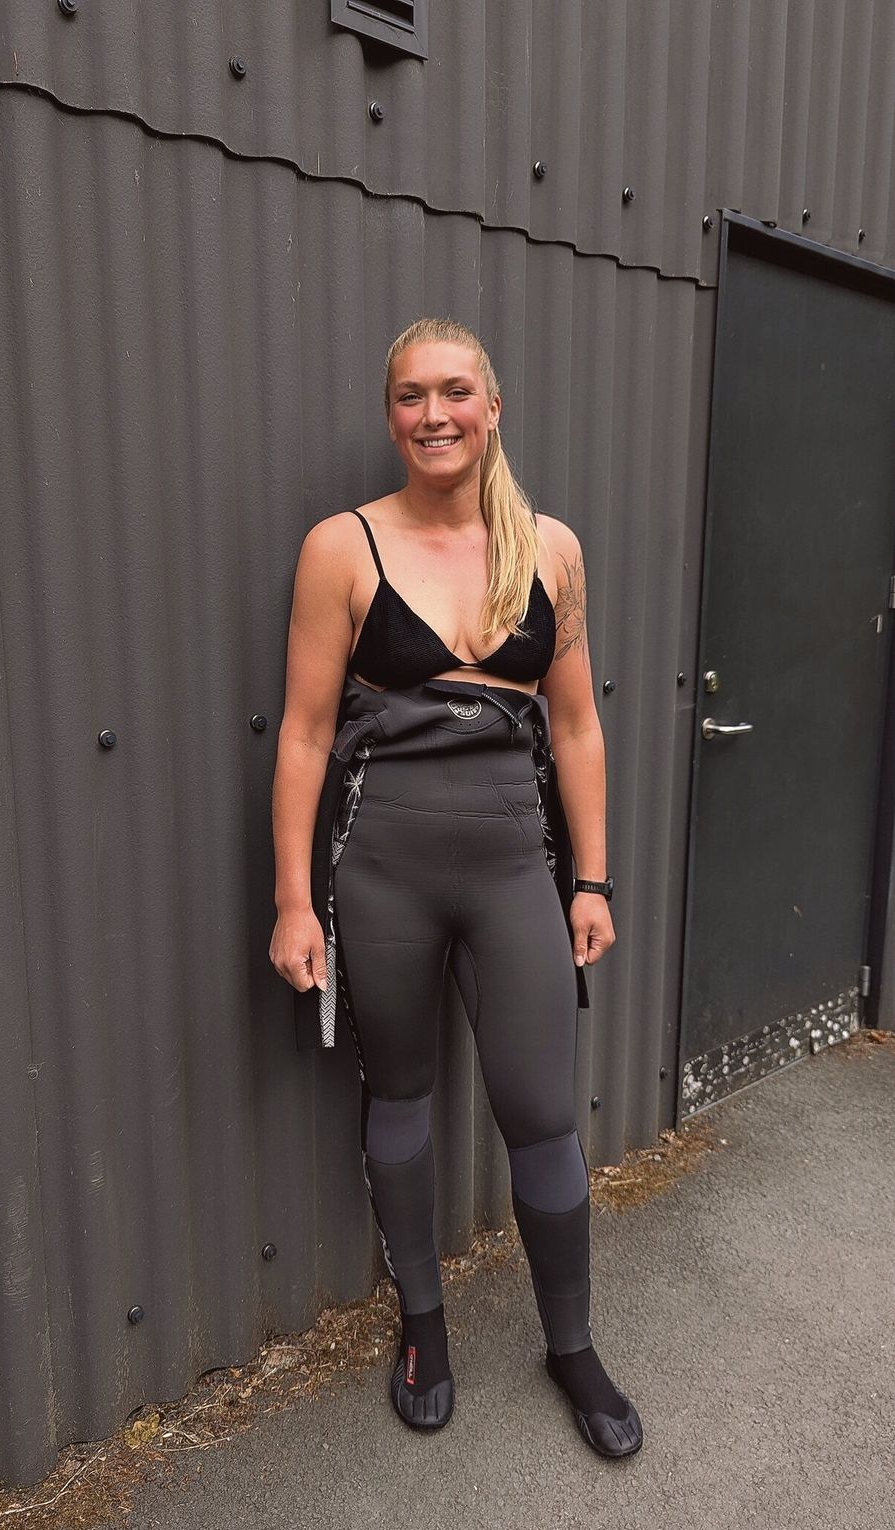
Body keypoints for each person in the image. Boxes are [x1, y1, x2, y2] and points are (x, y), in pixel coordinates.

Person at [269, 317, 643, 1460]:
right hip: (382, 870)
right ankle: (423, 1328)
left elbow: (575, 726)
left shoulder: (551, 549)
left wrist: (591, 878)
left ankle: (571, 1344)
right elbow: (304, 734)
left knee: (541, 1111)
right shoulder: (342, 547)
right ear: (390, 415)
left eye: (454, 391)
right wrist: (293, 900)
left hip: (512, 870)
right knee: (402, 1096)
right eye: (410, 396)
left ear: (492, 406)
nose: (434, 414)